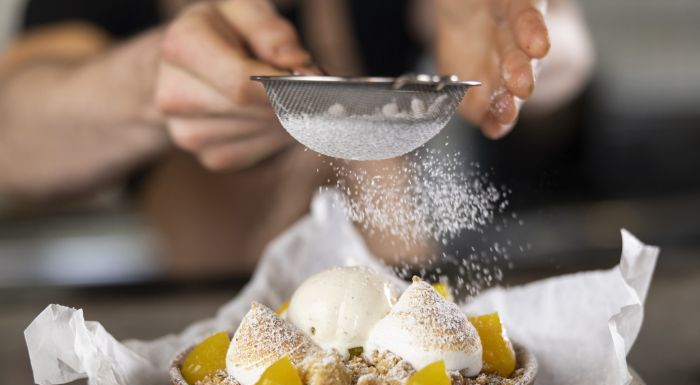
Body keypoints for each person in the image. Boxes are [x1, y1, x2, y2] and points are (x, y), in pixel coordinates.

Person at [0, 0, 592, 276]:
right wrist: (145, 83)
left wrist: (534, 48)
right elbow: (14, 138)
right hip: (218, 338)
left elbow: (567, 60)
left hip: (404, 313)